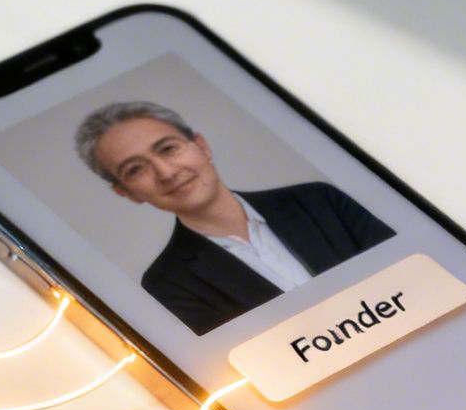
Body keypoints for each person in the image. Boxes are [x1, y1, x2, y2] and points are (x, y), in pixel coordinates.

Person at [75, 100, 394, 335]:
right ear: (127, 193)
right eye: (135, 169)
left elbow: (410, 273)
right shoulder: (167, 285)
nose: (166, 172)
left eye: (168, 149)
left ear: (202, 146)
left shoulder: (320, 200)